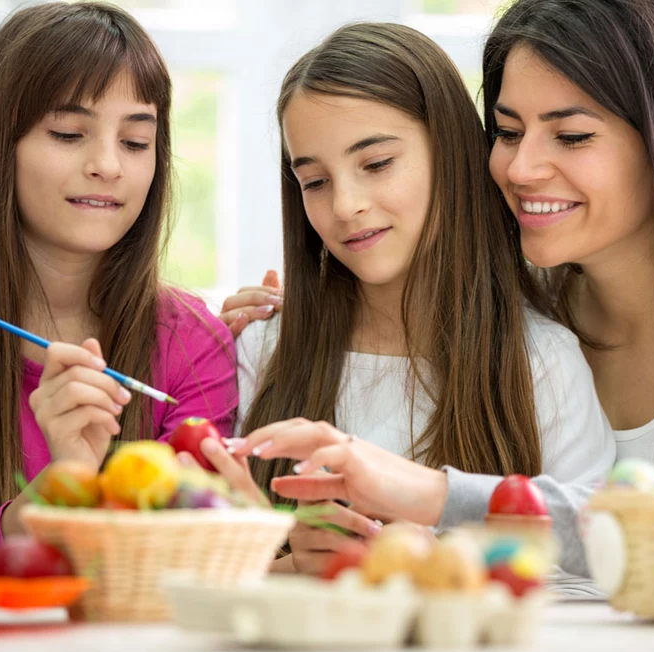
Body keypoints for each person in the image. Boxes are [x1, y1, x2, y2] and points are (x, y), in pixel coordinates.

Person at [220, 0, 654, 579]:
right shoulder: (502, 308)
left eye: (571, 135)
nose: (520, 167)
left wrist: (426, 493)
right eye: (506, 132)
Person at [203, 23, 614, 580]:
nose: (346, 205)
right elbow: (199, 560)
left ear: (451, 155)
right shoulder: (264, 347)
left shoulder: (543, 362)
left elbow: (594, 567)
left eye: (376, 165)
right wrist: (285, 563)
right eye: (315, 181)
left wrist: (438, 558)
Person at [0, 1, 238, 545]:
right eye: (67, 133)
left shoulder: (196, 342)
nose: (108, 164)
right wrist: (58, 489)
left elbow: (185, 556)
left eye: (135, 142)